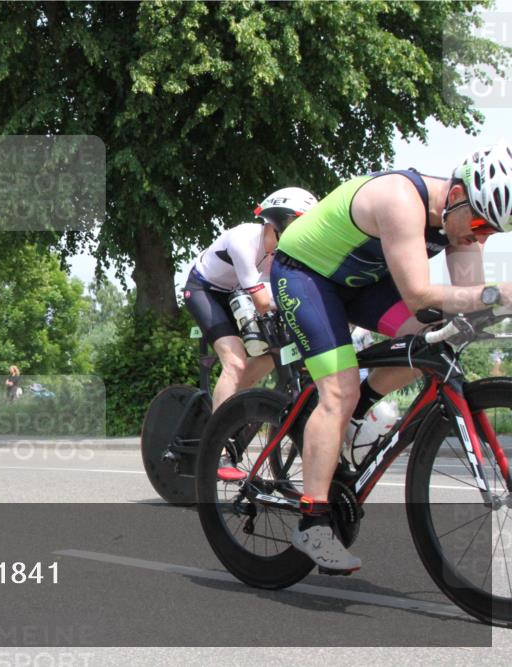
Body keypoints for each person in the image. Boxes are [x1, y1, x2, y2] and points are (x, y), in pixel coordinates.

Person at [271, 142, 512, 572]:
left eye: (490, 232)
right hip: (306, 275)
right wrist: (498, 293)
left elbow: (466, 307)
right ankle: (313, 521)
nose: (478, 236)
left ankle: (354, 417)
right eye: (478, 222)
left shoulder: (461, 224)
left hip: (361, 284)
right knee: (339, 391)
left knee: (435, 340)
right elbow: (420, 293)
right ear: (457, 194)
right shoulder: (402, 199)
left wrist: (490, 310)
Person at [182, 187, 318, 408]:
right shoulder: (243, 239)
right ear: (281, 222)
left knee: (271, 354)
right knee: (235, 363)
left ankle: (232, 409)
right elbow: (264, 303)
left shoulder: (283, 252)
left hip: (233, 293)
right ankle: (217, 439)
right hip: (203, 290)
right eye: (301, 225)